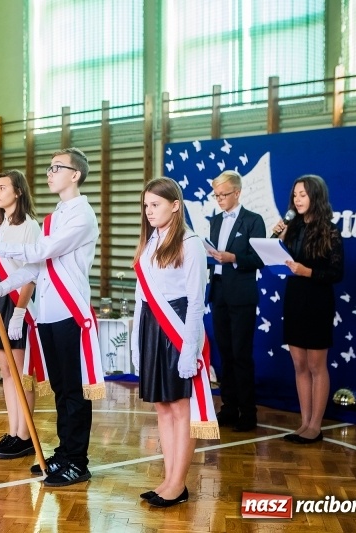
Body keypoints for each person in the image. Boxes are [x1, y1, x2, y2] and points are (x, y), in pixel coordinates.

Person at [0, 148, 102, 487]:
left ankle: (78, 461)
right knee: (59, 389)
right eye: (49, 167)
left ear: (76, 175)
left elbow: (40, 251)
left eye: (58, 168)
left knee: (74, 390)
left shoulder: (81, 215)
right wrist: (3, 287)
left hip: (71, 312)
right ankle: (65, 452)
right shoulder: (58, 214)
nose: (49, 172)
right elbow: (36, 267)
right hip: (50, 313)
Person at [131, 176, 208, 508]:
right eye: (146, 205)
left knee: (180, 407)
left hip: (177, 328)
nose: (149, 211)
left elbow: (195, 301)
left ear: (175, 205)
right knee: (163, 406)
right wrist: (136, 342)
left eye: (156, 204)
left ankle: (178, 483)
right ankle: (167, 478)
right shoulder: (150, 241)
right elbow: (140, 298)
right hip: (152, 327)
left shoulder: (190, 243)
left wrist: (189, 350)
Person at [273, 174, 344, 445]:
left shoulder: (330, 230)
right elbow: (280, 260)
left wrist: (307, 271)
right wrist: (280, 235)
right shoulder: (293, 227)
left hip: (318, 301)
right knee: (299, 364)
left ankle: (316, 425)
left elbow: (336, 272)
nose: (297, 200)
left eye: (302, 195)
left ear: (316, 197)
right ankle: (304, 422)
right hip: (294, 299)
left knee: (316, 365)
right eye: (295, 195)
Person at [0, 170, 42, 460]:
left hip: (18, 302)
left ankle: (25, 435)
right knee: (5, 373)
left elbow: (31, 273)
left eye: (3, 187)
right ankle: (13, 431)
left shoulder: (30, 226)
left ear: (18, 192)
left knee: (20, 373)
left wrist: (20, 310)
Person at [207, 170, 265, 432]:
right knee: (225, 354)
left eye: (223, 194)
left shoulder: (254, 220)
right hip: (218, 292)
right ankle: (228, 407)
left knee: (241, 355)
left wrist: (234, 258)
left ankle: (248, 413)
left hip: (241, 295)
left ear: (237, 193)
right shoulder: (216, 220)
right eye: (216, 194)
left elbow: (260, 258)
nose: (219, 199)